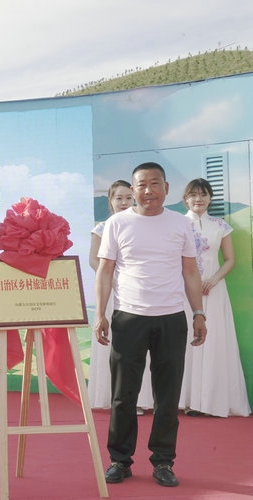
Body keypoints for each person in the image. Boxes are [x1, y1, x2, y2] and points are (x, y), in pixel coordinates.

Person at [94, 162, 207, 488]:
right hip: (128, 317)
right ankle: (120, 460)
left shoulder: (181, 224)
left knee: (167, 396)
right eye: (141, 185)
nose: (148, 191)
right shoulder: (117, 223)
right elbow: (105, 271)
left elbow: (190, 271)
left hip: (171, 318)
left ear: (166, 188)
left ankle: (163, 461)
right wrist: (100, 314)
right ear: (133, 190)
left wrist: (198, 313)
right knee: (123, 395)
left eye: (154, 183)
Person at [179, 178, 250, 417]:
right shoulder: (177, 224)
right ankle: (185, 400)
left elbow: (230, 260)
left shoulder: (221, 226)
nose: (198, 199)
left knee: (214, 342)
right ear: (185, 199)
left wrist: (213, 279)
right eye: (193, 195)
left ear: (210, 198)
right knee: (185, 341)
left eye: (203, 194)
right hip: (184, 290)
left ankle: (210, 402)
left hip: (214, 290)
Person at [87, 180, 154, 414]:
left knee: (140, 347)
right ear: (110, 201)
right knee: (116, 347)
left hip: (140, 295)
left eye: (128, 198)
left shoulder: (143, 225)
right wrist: (113, 280)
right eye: (119, 198)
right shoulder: (102, 228)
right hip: (111, 293)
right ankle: (117, 398)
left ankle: (141, 398)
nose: (124, 202)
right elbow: (94, 260)